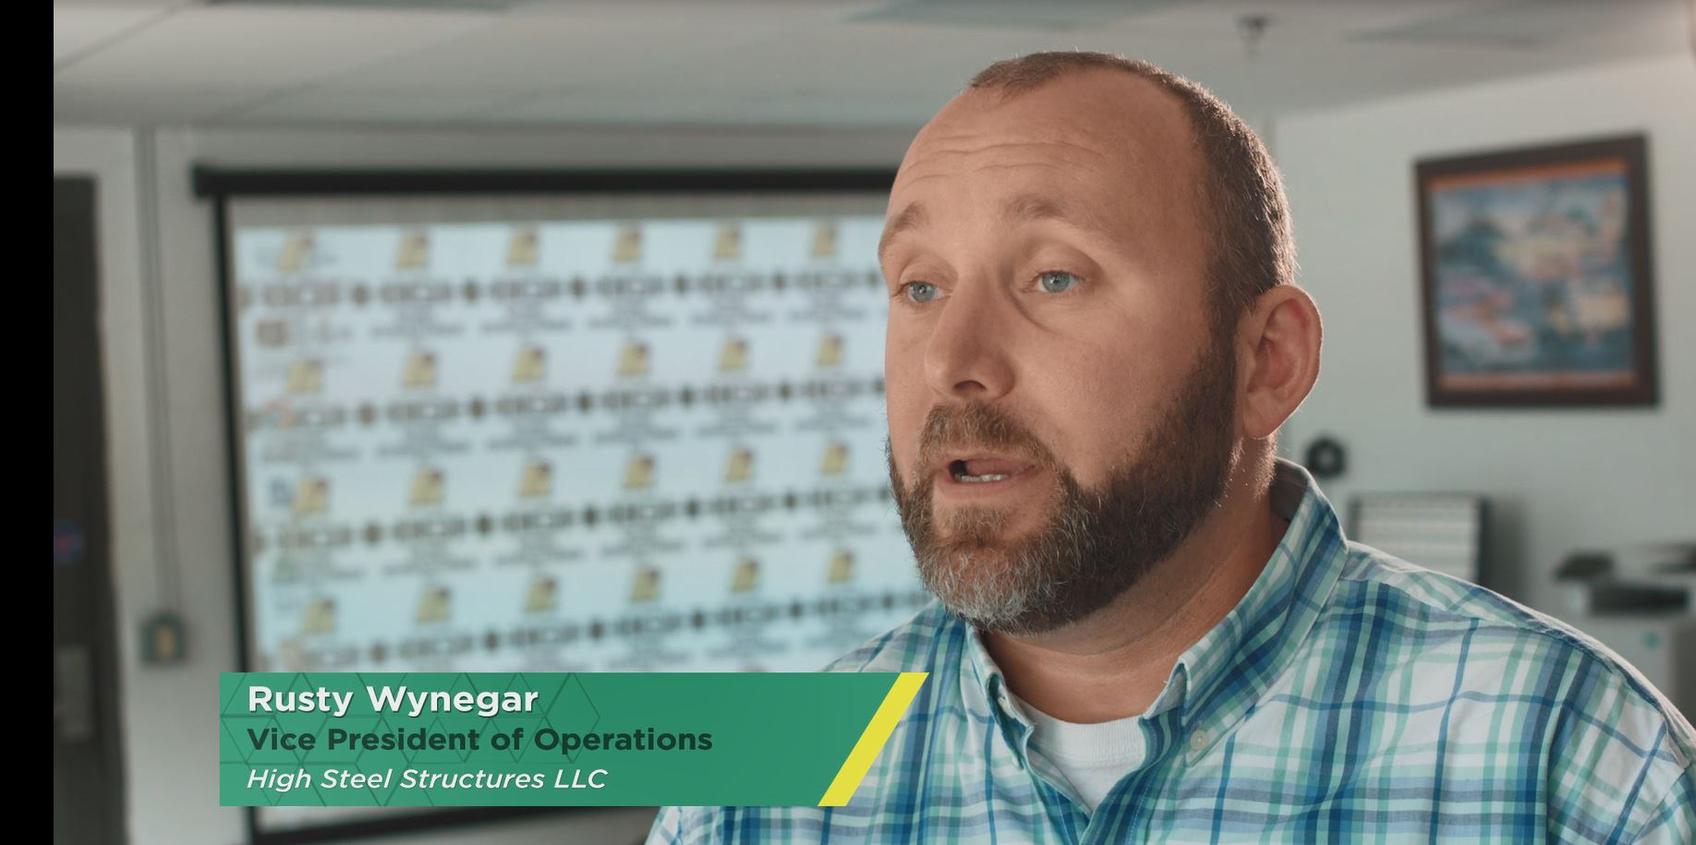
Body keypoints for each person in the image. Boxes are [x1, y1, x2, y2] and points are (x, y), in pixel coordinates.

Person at [647, 51, 1695, 843]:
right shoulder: (753, 795)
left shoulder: (1573, 759)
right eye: (919, 286)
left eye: (1054, 277)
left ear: (1267, 361)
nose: (954, 362)